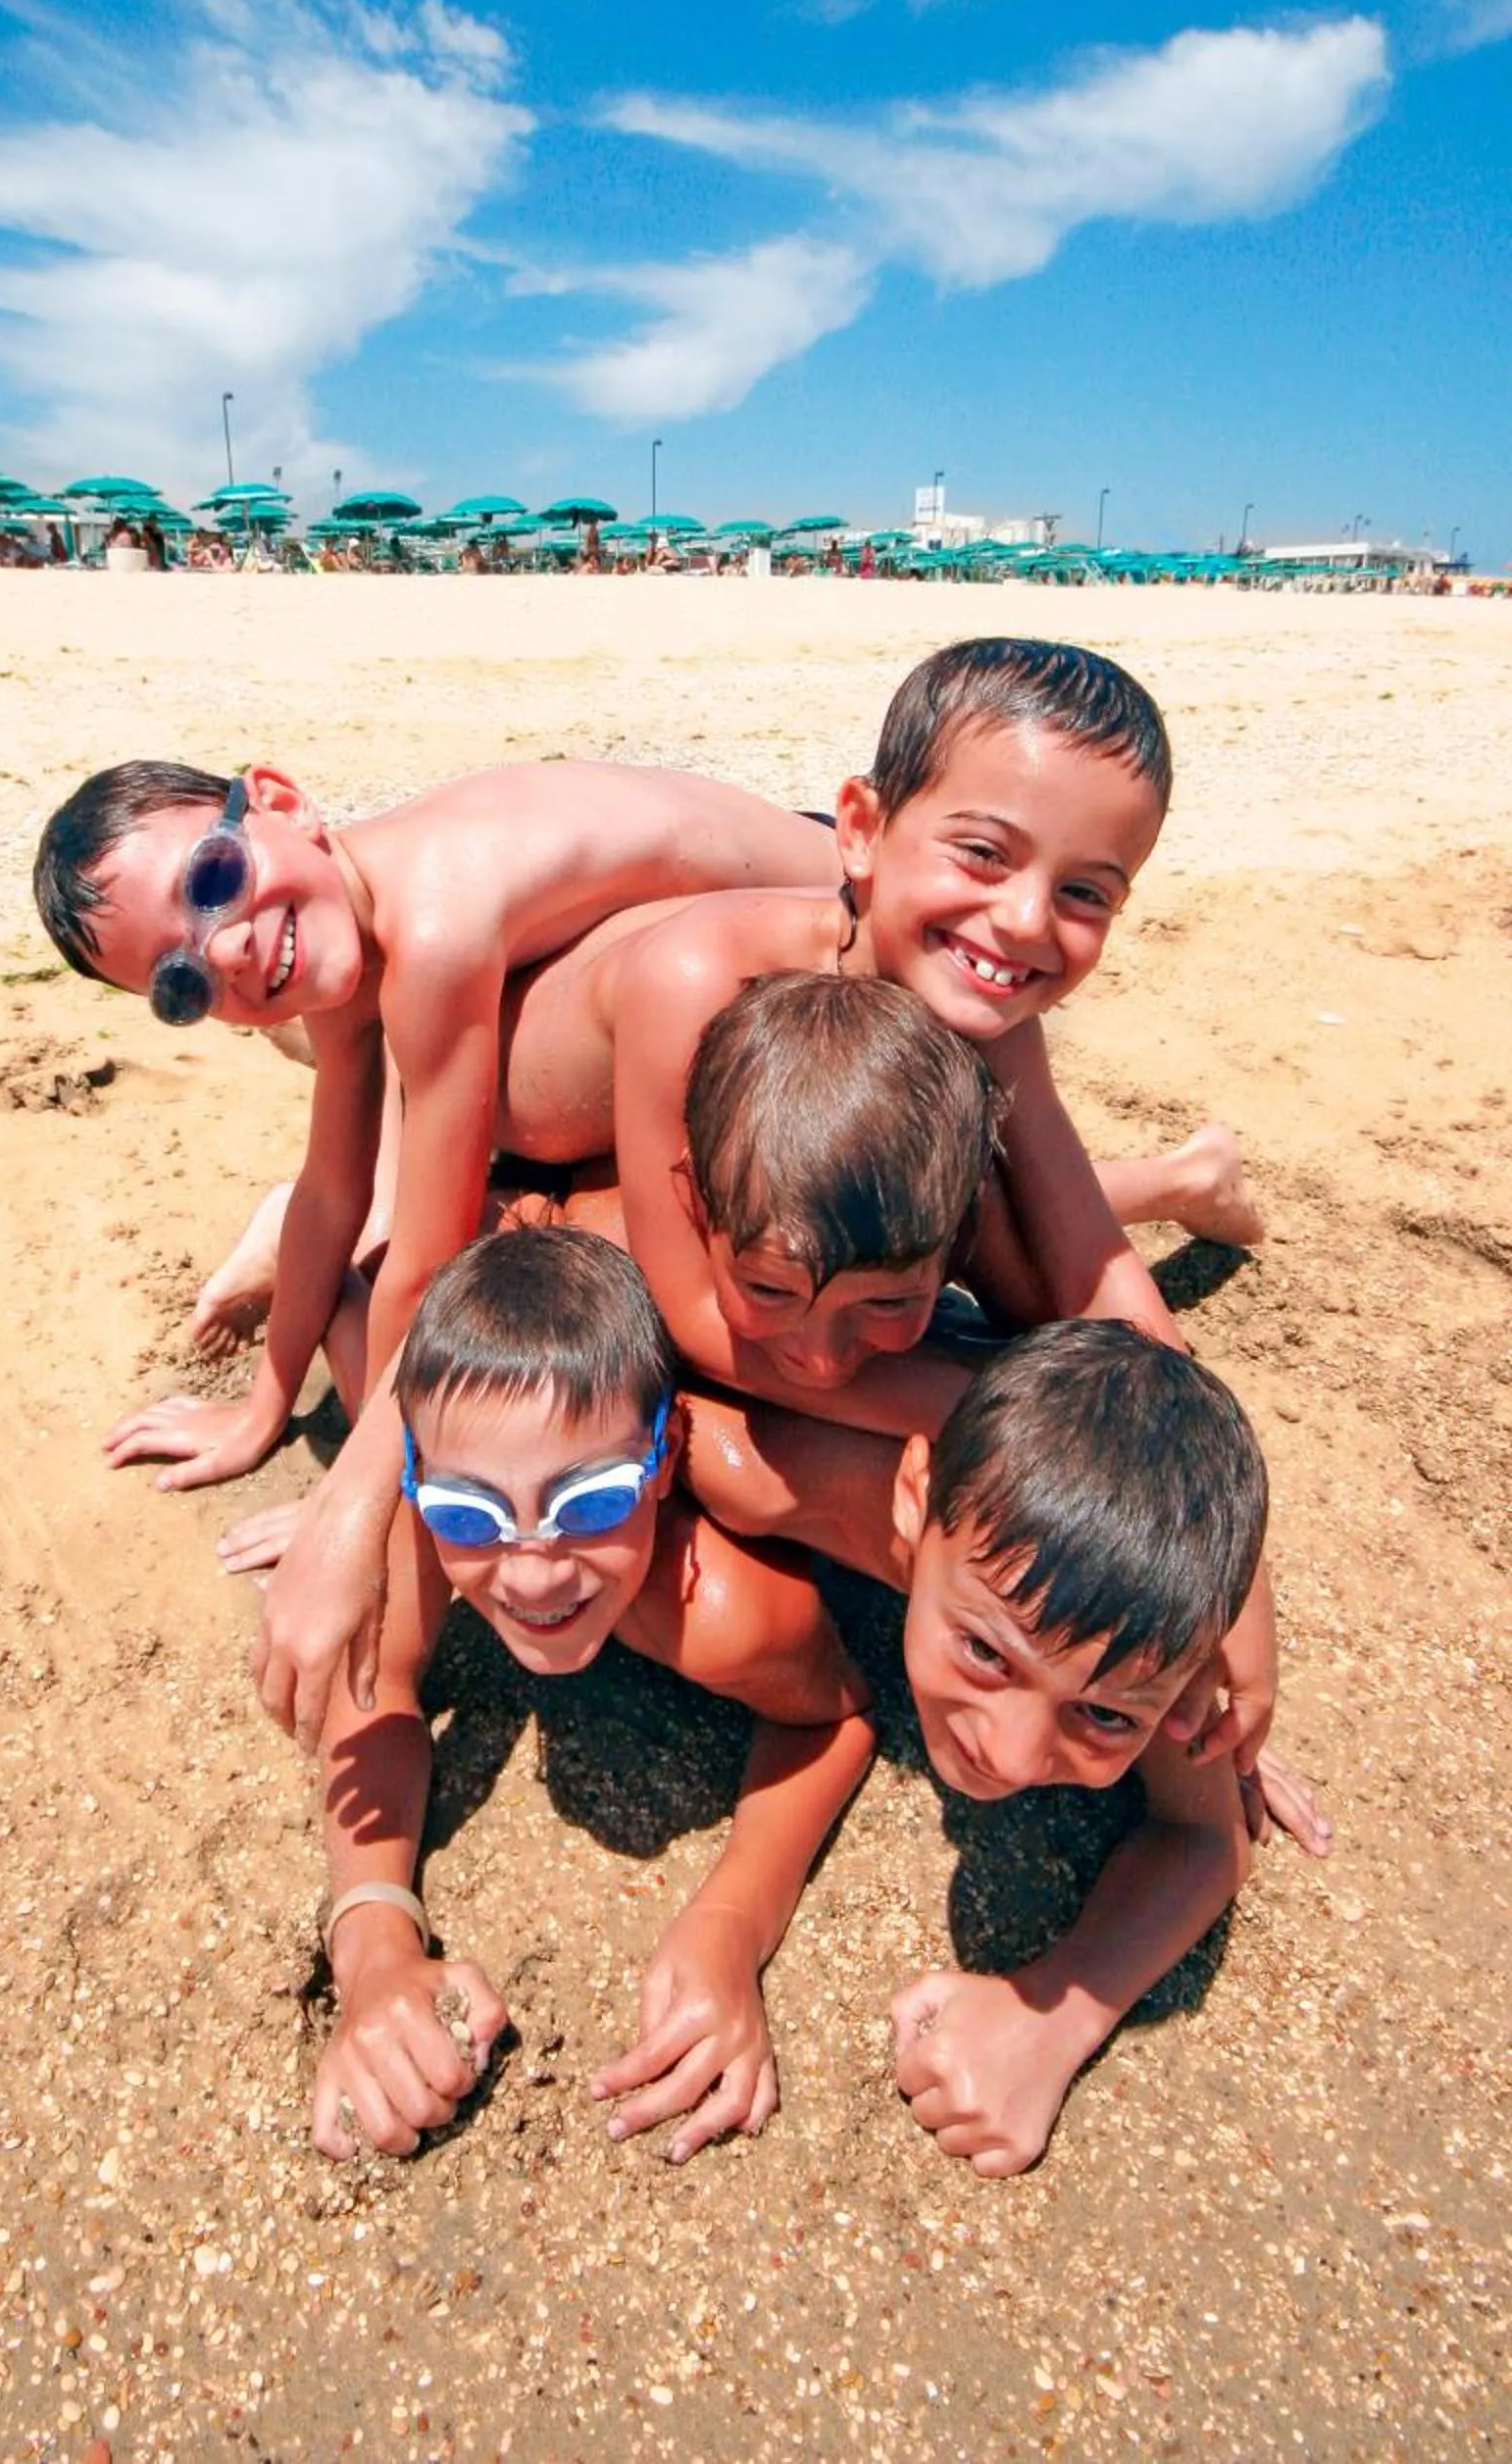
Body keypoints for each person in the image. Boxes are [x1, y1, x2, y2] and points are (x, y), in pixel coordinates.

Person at [249, 641, 1278, 1751]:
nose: (1024, 921)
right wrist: (352, 1507)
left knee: (1022, 1268)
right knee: (763, 1372)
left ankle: (1175, 1180)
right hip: (527, 1150)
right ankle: (1171, 1180)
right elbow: (685, 1311)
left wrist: (1228, 1572)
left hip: (756, 1194)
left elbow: (1088, 1270)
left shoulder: (983, 994)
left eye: (1083, 893)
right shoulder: (696, 981)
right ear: (861, 833)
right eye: (984, 854)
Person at [31, 759, 841, 1492]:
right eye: (183, 981)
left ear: (281, 802)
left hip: (839, 907)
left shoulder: (434, 922)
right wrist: (260, 1409)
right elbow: (328, 1186)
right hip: (742, 904)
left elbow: (425, 1268)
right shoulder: (353, 909)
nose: (230, 946)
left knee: (499, 1091)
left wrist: (361, 1496)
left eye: (211, 881)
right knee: (399, 1069)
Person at [677, 1319, 1313, 2176]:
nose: (1010, 1758)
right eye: (983, 1652)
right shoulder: (762, 1475)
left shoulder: (1150, 1645)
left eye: (1104, 1716)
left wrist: (1053, 2012)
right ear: (916, 1499)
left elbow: (1206, 1835)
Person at [311, 1225, 875, 2164]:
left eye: (594, 1501)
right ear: (419, 1483)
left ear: (662, 1460)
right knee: (348, 1318)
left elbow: (834, 1715)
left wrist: (730, 1926)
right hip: (497, 1232)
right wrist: (373, 1946)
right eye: (468, 1511)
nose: (533, 1575)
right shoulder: (424, 1516)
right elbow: (371, 1689)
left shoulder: (719, 1612)